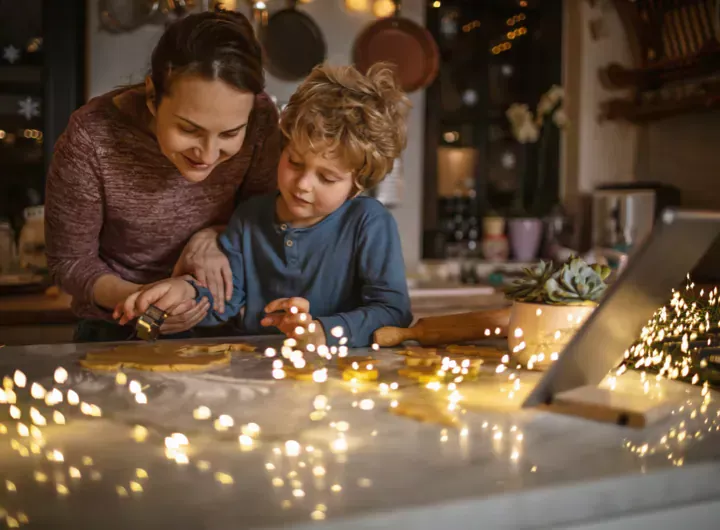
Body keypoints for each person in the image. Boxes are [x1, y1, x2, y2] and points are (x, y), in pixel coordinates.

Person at [117, 63, 413, 347]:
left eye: (327, 177)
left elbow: (393, 311)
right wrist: (184, 291)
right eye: (295, 162)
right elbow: (223, 301)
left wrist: (324, 331)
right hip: (258, 378)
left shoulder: (369, 222)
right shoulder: (250, 217)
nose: (303, 184)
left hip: (344, 378)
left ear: (357, 184)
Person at [44, 10, 281, 342]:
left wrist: (215, 235)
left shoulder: (262, 120)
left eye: (229, 134)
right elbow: (69, 262)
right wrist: (144, 300)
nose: (208, 155)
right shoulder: (91, 136)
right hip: (116, 330)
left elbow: (269, 217)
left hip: (226, 325)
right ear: (153, 96)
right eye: (188, 129)